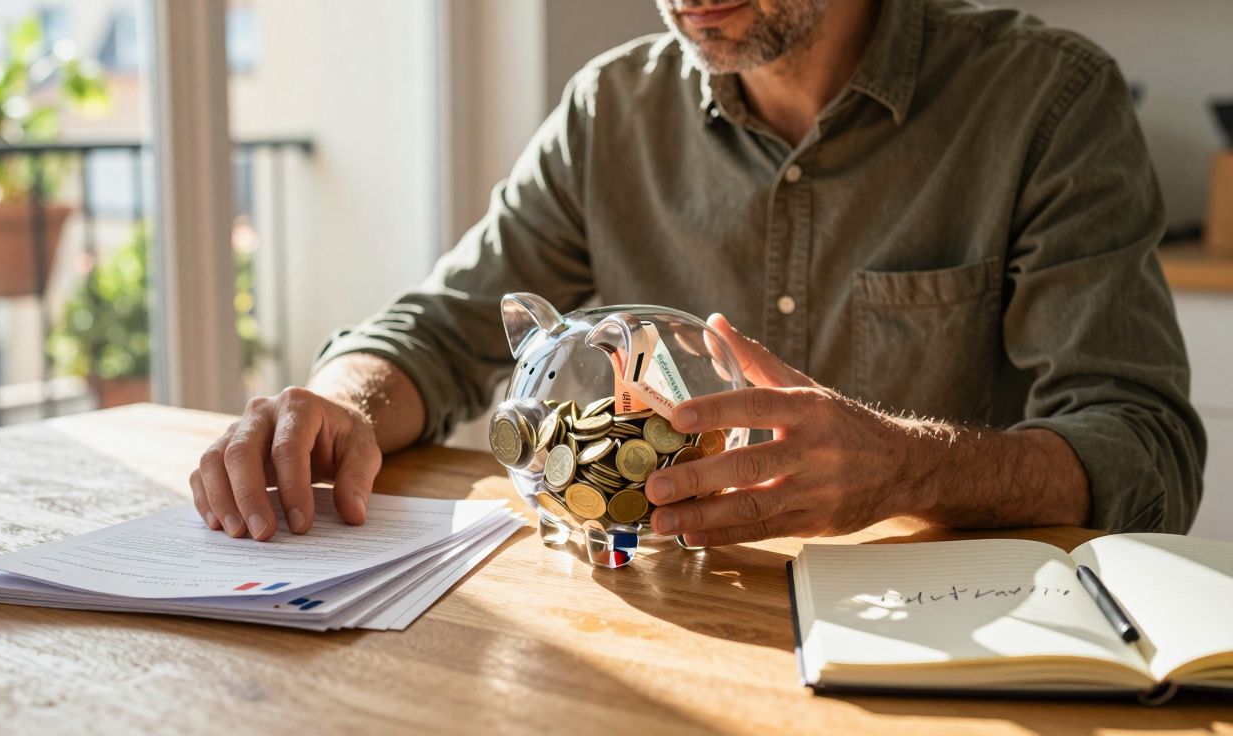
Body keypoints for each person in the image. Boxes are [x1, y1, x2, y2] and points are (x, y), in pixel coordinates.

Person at [190, 0, 1205, 546]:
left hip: (944, 660)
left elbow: (1143, 449)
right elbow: (449, 326)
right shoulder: (610, 110)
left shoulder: (1046, 101)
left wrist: (907, 466)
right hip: (667, 627)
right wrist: (340, 401)